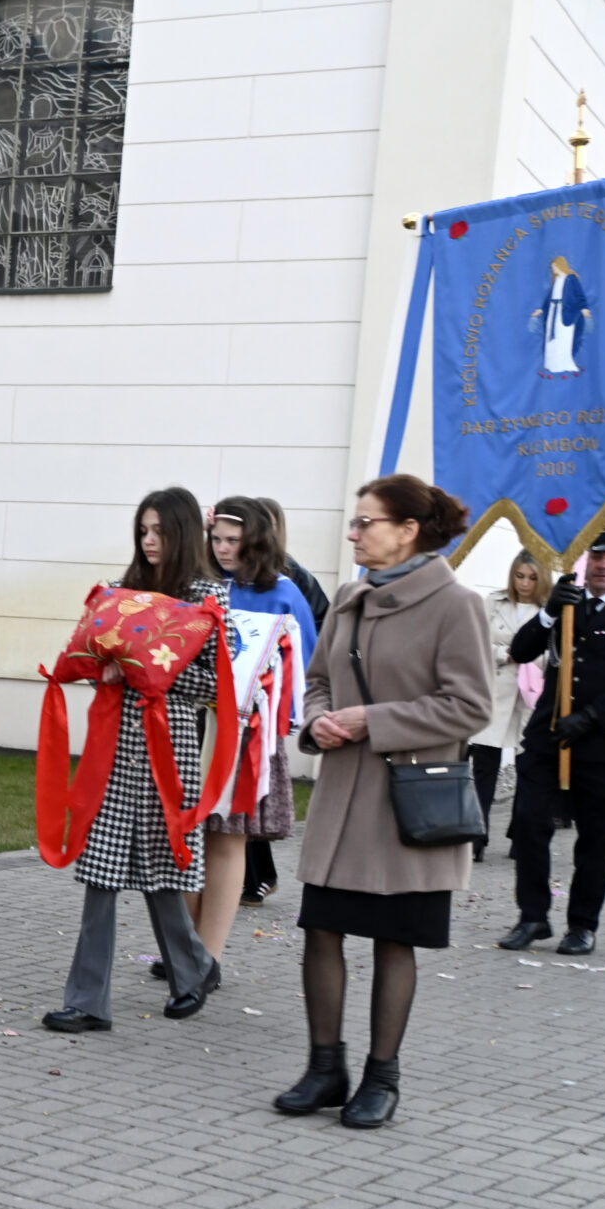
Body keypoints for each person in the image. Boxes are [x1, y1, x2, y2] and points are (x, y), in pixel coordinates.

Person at [273, 476, 490, 1128]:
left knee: (396, 940)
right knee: (322, 929)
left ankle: (381, 1077)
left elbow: (469, 705)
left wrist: (373, 720)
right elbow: (317, 680)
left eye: (366, 522)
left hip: (409, 804)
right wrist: (318, 721)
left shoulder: (456, 605)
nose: (354, 533)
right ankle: (324, 1068)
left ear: (409, 530)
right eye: (355, 521)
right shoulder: (349, 596)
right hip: (342, 801)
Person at [42, 487, 225, 1034]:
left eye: (159, 531)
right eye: (143, 530)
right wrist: (104, 670)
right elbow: (92, 654)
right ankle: (87, 1002)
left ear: (182, 533)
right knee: (99, 871)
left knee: (161, 871)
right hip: (114, 745)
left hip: (168, 749)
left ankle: (192, 971)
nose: (148, 541)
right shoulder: (122, 590)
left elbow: (215, 682)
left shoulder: (208, 597)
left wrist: (149, 674)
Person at [498, 518, 605, 956]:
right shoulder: (565, 602)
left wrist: (591, 717)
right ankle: (532, 917)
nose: (603, 564)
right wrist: (548, 612)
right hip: (548, 738)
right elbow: (522, 651)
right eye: (597, 556)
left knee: (595, 839)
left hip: (602, 743)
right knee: (529, 828)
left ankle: (582, 924)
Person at [189, 497, 316, 967]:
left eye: (233, 540)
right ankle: (183, 944)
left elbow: (305, 665)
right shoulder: (200, 586)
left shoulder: (285, 593)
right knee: (185, 838)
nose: (222, 548)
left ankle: (207, 955)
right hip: (191, 725)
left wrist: (282, 715)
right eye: (216, 539)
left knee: (227, 838)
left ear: (257, 541)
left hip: (248, 734)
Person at [241, 496, 327, 905]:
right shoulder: (229, 577)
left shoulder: (292, 580)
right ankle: (255, 874)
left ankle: (257, 875)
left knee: (253, 786)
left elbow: (319, 624)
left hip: (268, 699)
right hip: (233, 701)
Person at [473, 550, 549, 859]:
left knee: (527, 767)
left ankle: (521, 834)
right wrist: (505, 654)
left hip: (532, 695)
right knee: (484, 766)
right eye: (519, 576)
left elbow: (558, 652)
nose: (525, 584)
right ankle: (476, 836)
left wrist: (531, 656)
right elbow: (475, 641)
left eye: (532, 578)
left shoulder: (551, 609)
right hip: (496, 690)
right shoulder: (494, 602)